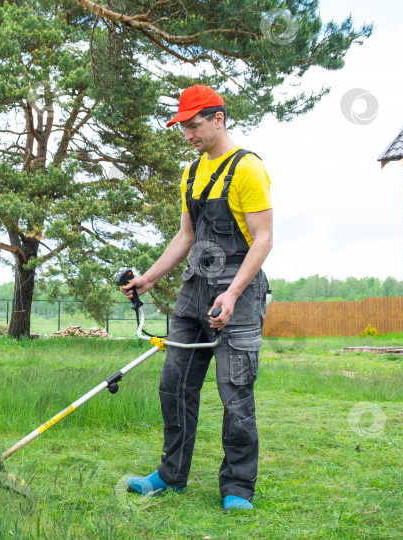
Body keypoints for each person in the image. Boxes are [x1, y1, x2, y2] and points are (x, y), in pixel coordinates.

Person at [120, 85, 272, 511]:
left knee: (235, 391)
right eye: (182, 127)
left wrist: (234, 291)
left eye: (193, 125)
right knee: (174, 384)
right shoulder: (190, 173)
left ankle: (237, 488)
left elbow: (264, 239)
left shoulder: (248, 169)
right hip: (193, 292)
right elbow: (186, 236)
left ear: (218, 118)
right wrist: (148, 278)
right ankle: (171, 476)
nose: (186, 134)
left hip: (238, 292)